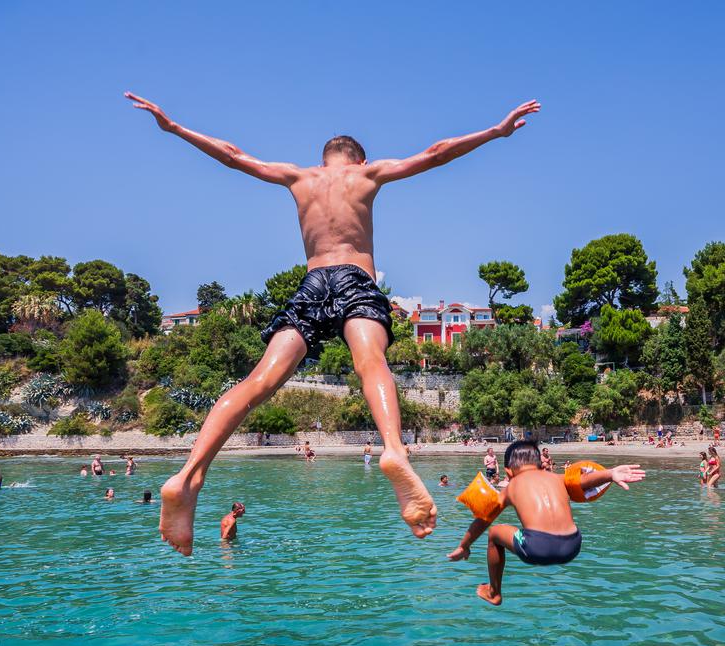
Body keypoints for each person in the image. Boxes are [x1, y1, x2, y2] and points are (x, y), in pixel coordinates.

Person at [127, 91, 540, 555]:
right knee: (369, 361)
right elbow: (436, 153)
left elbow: (233, 155)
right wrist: (496, 131)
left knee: (257, 381)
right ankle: (393, 451)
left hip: (311, 283)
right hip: (354, 279)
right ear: (357, 157)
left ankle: (187, 477)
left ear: (322, 159)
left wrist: (176, 128)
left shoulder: (300, 177)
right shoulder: (367, 174)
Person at [448, 440, 645, 605]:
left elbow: (483, 519)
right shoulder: (557, 478)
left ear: (508, 472)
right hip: (573, 544)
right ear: (541, 464)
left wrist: (464, 546)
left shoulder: (512, 486)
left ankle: (494, 592)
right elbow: (583, 481)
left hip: (538, 547)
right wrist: (610, 474)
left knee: (494, 533)